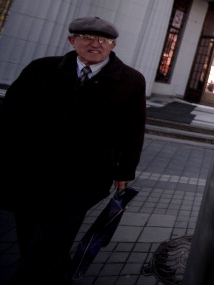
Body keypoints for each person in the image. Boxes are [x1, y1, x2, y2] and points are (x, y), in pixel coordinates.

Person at [0, 16, 146, 284]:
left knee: (48, 243)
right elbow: (10, 117)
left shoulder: (131, 81)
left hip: (83, 178)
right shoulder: (41, 70)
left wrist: (125, 170)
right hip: (30, 171)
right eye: (87, 37)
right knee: (30, 235)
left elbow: (133, 130)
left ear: (112, 45)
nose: (96, 44)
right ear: (72, 40)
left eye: (104, 40)